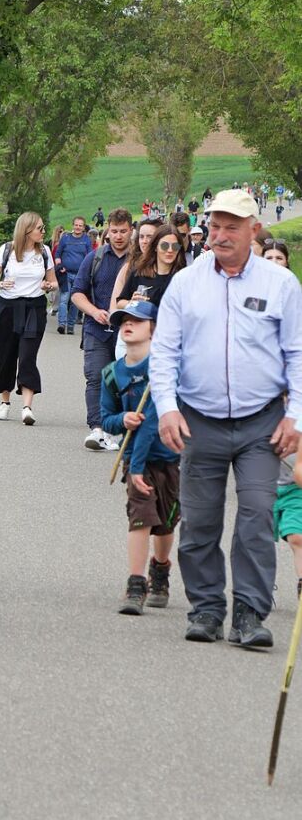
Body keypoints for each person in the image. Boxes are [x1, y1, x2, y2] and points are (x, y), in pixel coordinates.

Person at [150, 188, 302, 648]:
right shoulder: (187, 282)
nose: (219, 235)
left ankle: (249, 614)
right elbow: (164, 352)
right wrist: (167, 408)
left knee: (257, 517)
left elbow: (298, 355)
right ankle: (207, 610)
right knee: (199, 522)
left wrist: (296, 416)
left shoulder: (281, 286)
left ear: (253, 230)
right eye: (214, 226)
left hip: (263, 424)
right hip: (200, 421)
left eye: (231, 227)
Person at [100, 302, 180, 615]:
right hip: (136, 460)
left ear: (153, 329)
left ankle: (160, 569)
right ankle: (136, 585)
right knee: (140, 517)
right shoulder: (112, 374)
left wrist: (140, 422)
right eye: (124, 321)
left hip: (168, 456)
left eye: (137, 320)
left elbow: (153, 424)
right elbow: (105, 418)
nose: (128, 325)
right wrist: (123, 421)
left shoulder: (164, 370)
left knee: (165, 525)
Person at [0, 212, 57, 424]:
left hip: (34, 307)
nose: (43, 232)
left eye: (44, 228)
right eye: (40, 229)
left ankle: (27, 407)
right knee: (6, 356)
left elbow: (54, 283)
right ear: (26, 230)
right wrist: (0, 284)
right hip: (8, 307)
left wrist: (48, 285)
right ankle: (5, 402)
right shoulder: (6, 250)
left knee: (27, 356)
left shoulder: (44, 252)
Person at [71, 207, 134, 451]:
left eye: (123, 231)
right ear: (107, 231)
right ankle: (96, 429)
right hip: (96, 329)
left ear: (131, 231)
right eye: (114, 231)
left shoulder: (139, 260)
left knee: (121, 382)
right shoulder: (94, 258)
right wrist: (94, 311)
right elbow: (77, 293)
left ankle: (115, 429)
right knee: (96, 376)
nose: (118, 236)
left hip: (128, 332)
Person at [53, 216, 92, 335]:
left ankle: (70, 325)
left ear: (84, 227)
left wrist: (87, 271)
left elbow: (90, 257)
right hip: (65, 274)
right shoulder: (65, 238)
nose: (78, 227)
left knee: (75, 301)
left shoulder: (86, 240)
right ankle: (62, 324)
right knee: (64, 299)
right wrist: (60, 267)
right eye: (76, 225)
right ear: (73, 225)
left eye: (80, 225)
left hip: (79, 276)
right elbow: (57, 254)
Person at [274, 453, 302, 598]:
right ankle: (259, 584)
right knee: (257, 538)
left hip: (297, 489)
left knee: (297, 536)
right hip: (261, 484)